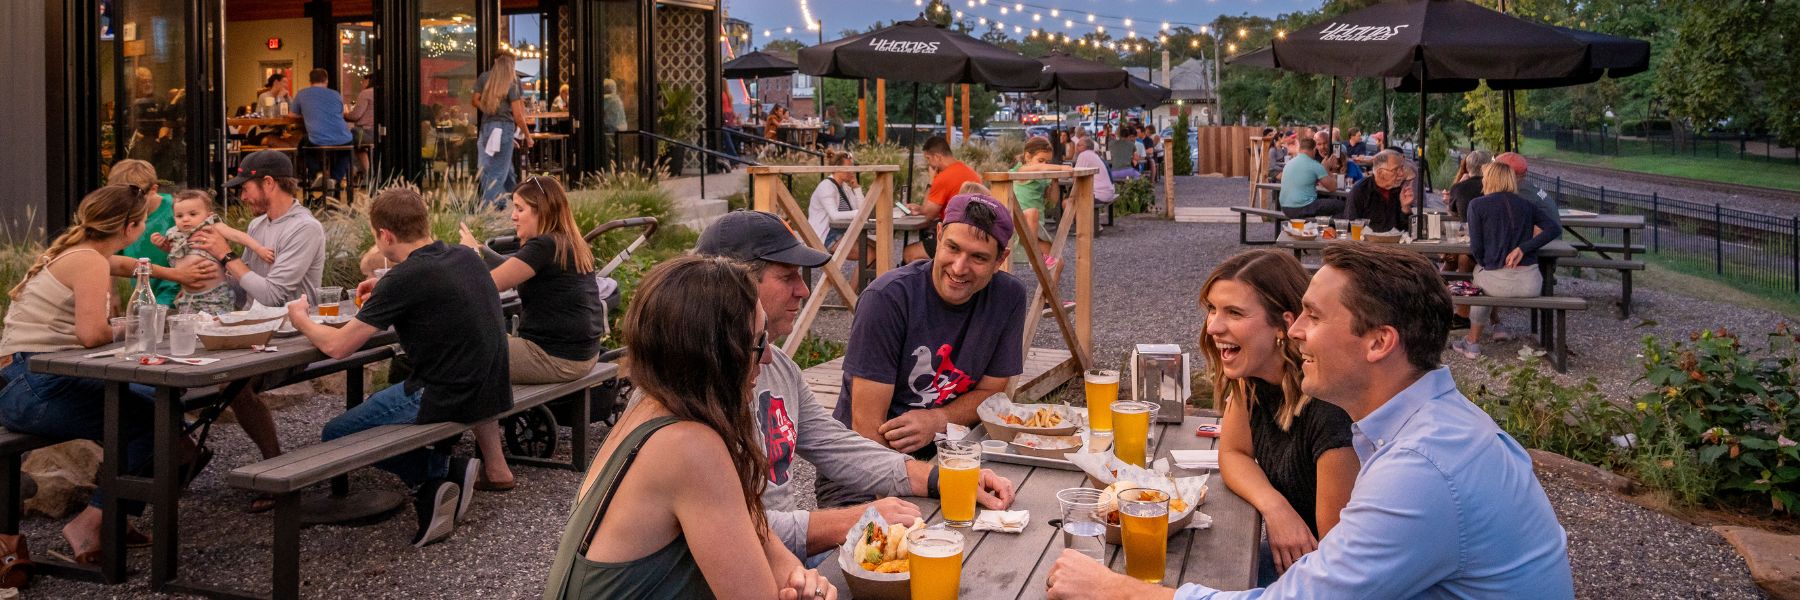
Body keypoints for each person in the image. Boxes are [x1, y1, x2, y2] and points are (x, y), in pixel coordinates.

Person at [1046, 242, 1575, 600]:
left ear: (1379, 342)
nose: (1294, 333)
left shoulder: (1420, 468)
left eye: (1314, 317)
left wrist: (1116, 590)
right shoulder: (1428, 425)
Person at [694, 211, 1016, 562]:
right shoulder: (691, 389)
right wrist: (855, 519)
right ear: (732, 288)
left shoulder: (779, 365)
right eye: (787, 277)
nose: (803, 289)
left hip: (783, 560)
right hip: (746, 569)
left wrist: (945, 479)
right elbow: (730, 536)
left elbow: (838, 445)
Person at [541, 255, 836, 599]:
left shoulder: (652, 407)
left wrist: (797, 577)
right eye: (758, 342)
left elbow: (756, 530)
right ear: (713, 354)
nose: (768, 357)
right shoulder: (688, 447)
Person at [289, 188, 509, 547]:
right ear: (425, 222)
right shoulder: (465, 257)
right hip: (489, 387)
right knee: (380, 404)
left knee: (335, 434)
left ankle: (436, 476)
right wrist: (384, 285)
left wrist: (300, 319)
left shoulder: (404, 278)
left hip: (445, 391)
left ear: (385, 236)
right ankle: (444, 472)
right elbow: (432, 289)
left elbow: (337, 346)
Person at [0, 185, 199, 563]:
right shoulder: (88, 260)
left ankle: (115, 516)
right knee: (154, 422)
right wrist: (139, 324)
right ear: (130, 227)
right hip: (34, 385)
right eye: (142, 221)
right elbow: (91, 335)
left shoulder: (82, 252)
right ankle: (90, 524)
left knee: (156, 408)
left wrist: (174, 273)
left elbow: (126, 265)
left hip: (28, 378)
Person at [1200, 250, 1357, 584]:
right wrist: (1276, 507)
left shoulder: (1329, 410)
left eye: (1234, 313)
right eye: (1212, 309)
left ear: (1285, 324)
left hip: (1317, 577)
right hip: (1290, 560)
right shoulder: (1253, 375)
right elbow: (1233, 452)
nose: (1213, 326)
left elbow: (1337, 563)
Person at [838, 193, 1028, 458]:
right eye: (953, 248)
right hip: (866, 463)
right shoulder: (886, 298)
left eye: (979, 258)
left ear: (1000, 260)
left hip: (954, 452)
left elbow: (992, 394)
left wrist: (938, 419)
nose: (959, 268)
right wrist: (923, 483)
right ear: (938, 236)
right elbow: (866, 428)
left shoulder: (1009, 296)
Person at [190, 150, 327, 491]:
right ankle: (181, 459)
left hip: (290, 333)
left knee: (231, 383)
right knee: (178, 377)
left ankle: (274, 465)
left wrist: (227, 254)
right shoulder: (256, 226)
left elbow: (273, 296)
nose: (241, 196)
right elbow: (243, 286)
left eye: (244, 187)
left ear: (268, 183)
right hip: (252, 329)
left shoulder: (304, 228)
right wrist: (207, 269)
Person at [455, 176, 603, 491]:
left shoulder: (544, 244)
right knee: (478, 346)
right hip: (581, 356)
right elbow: (513, 266)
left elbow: (486, 285)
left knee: (468, 357)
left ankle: (493, 468)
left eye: (520, 208)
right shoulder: (565, 241)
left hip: (553, 357)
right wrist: (480, 250)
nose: (513, 215)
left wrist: (470, 253)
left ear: (541, 211)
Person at [1450, 162, 1561, 359]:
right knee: (1482, 280)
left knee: (1478, 281)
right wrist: (1524, 248)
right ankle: (1498, 326)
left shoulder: (1477, 205)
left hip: (1496, 282)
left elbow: (1476, 249)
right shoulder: (1527, 205)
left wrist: (1487, 262)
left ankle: (1472, 342)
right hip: (1531, 283)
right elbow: (1554, 229)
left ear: (1489, 179)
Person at [152, 190, 274, 315]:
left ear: (208, 215)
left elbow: (238, 236)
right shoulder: (175, 233)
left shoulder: (211, 225)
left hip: (215, 295)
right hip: (189, 297)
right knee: (190, 329)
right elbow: (177, 256)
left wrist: (259, 249)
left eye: (192, 214)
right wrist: (163, 245)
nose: (185, 219)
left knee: (217, 328)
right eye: (179, 216)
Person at [107, 159, 180, 305]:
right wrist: (112, 294)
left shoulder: (177, 210)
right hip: (143, 295)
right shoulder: (120, 216)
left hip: (176, 291)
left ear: (153, 189)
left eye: (136, 197)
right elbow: (109, 258)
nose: (129, 203)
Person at [903, 135, 981, 262]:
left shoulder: (943, 178)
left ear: (937, 157)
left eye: (928, 158)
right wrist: (921, 209)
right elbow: (929, 209)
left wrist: (931, 181)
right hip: (975, 233)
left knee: (909, 253)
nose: (928, 163)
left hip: (957, 237)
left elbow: (929, 214)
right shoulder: (968, 171)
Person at [473, 52, 533, 207]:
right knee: (498, 173)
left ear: (496, 62)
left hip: (487, 128)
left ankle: (512, 204)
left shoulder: (485, 77)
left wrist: (487, 108)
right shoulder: (513, 82)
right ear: (511, 66)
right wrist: (528, 136)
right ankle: (487, 213)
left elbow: (475, 100)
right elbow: (518, 115)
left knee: (501, 171)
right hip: (504, 128)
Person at [291, 68, 355, 186]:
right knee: (346, 151)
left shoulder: (302, 94)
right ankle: (335, 179)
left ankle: (317, 172)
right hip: (343, 137)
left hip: (317, 139)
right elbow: (341, 114)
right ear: (326, 80)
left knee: (303, 145)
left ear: (310, 81)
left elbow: (293, 115)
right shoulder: (336, 94)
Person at [1009, 136, 1062, 262]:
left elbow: (1053, 201)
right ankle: (1034, 259)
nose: (1044, 165)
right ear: (1028, 157)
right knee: (1032, 213)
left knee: (1057, 263)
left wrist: (1055, 181)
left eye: (1047, 162)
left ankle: (1042, 272)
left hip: (1037, 227)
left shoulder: (1042, 178)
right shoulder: (1021, 171)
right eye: (1041, 160)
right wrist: (1063, 168)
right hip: (1019, 223)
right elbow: (1039, 168)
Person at [807, 150, 865, 257]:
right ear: (837, 168)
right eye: (848, 168)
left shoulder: (845, 187)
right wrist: (860, 213)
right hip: (825, 236)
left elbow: (861, 208)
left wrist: (856, 188)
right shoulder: (826, 186)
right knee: (868, 254)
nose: (852, 171)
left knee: (878, 250)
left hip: (842, 233)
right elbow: (835, 216)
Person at [1343, 150, 1415, 234]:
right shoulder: (1360, 190)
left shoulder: (1400, 190)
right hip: (1367, 245)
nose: (1401, 173)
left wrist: (1405, 208)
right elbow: (1350, 226)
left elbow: (1408, 231)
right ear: (1380, 173)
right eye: (1396, 169)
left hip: (1396, 245)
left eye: (1402, 168)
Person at [1493, 152, 1561, 233]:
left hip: (1547, 243)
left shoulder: (1520, 193)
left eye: (1495, 171)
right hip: (1547, 239)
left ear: (1506, 173)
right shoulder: (1525, 187)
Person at [1278, 138, 1341, 219]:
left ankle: (1323, 228)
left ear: (1300, 149)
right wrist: (1326, 169)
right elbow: (1333, 187)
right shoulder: (1314, 165)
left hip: (1285, 207)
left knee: (1326, 203)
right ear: (1314, 149)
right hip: (1302, 207)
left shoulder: (1289, 163)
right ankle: (1333, 229)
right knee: (1341, 205)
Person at [345, 75, 376, 178]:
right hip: (378, 133)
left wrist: (344, 115)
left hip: (366, 132)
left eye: (363, 81)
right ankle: (366, 173)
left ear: (369, 81)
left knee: (348, 141)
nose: (362, 83)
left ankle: (364, 173)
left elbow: (356, 116)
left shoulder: (365, 93)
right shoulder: (382, 92)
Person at [1446, 150, 1491, 221]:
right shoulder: (1493, 186)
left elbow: (1453, 212)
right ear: (1488, 166)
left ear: (1467, 167)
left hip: (1466, 230)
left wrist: (1459, 184)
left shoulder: (1457, 188)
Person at [1072, 137, 1117, 205]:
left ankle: (1084, 216)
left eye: (1079, 145)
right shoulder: (1094, 155)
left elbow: (1076, 176)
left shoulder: (1084, 154)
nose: (1076, 147)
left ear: (1085, 147)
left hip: (1098, 194)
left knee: (1067, 203)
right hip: (1107, 193)